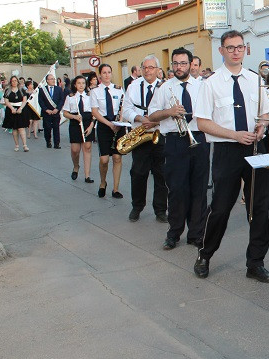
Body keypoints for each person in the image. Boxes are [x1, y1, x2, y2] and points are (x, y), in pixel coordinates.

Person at [193, 30, 269, 283]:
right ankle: (204, 255)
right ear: (221, 51)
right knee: (220, 208)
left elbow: (266, 114)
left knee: (258, 207)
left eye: (240, 47)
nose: (236, 52)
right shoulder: (211, 83)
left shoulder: (255, 80)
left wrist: (262, 126)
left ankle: (256, 263)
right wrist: (233, 135)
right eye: (230, 48)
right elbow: (203, 123)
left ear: (245, 49)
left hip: (256, 149)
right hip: (228, 151)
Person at [148, 48, 209, 250]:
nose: (179, 67)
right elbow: (152, 116)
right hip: (175, 141)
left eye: (183, 63)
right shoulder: (165, 88)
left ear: (191, 64)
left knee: (198, 189)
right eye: (175, 63)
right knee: (177, 189)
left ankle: (196, 233)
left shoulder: (202, 86)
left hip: (198, 139)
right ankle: (174, 233)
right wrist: (169, 111)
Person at [122, 56, 167, 223]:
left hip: (159, 134)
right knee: (138, 173)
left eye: (151, 67)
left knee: (161, 174)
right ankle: (137, 206)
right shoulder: (133, 87)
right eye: (145, 67)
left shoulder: (165, 86)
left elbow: (169, 110)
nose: (148, 70)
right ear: (141, 70)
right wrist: (141, 119)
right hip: (141, 135)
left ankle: (161, 210)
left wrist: (155, 121)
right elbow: (126, 109)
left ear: (157, 69)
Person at [89, 64, 126, 199]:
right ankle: (103, 182)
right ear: (100, 75)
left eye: (109, 72)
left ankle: (115, 189)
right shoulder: (95, 91)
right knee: (104, 159)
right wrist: (109, 124)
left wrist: (119, 122)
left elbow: (123, 107)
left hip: (117, 125)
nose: (106, 75)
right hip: (104, 125)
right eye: (104, 72)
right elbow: (95, 111)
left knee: (117, 157)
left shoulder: (118, 89)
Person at [61, 75, 95, 182]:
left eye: (83, 83)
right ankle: (76, 166)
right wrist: (74, 116)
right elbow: (65, 113)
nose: (81, 85)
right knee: (75, 150)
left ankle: (87, 176)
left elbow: (95, 113)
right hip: (75, 123)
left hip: (88, 123)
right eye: (79, 83)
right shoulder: (70, 97)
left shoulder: (90, 96)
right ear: (75, 85)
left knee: (87, 147)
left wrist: (91, 126)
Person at [2, 76, 30, 151]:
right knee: (15, 128)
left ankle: (25, 145)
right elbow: (6, 101)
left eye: (15, 81)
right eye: (12, 81)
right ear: (10, 82)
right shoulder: (7, 90)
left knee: (21, 128)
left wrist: (20, 108)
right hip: (11, 110)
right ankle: (17, 145)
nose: (14, 82)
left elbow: (24, 100)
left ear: (17, 81)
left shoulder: (22, 90)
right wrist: (12, 108)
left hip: (21, 110)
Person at [38, 74, 65, 149]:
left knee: (56, 128)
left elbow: (61, 100)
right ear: (47, 80)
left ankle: (57, 144)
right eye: (51, 79)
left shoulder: (59, 89)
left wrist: (57, 109)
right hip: (47, 113)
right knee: (47, 128)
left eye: (54, 79)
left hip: (56, 113)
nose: (53, 80)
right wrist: (46, 109)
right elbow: (41, 101)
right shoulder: (42, 90)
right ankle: (48, 141)